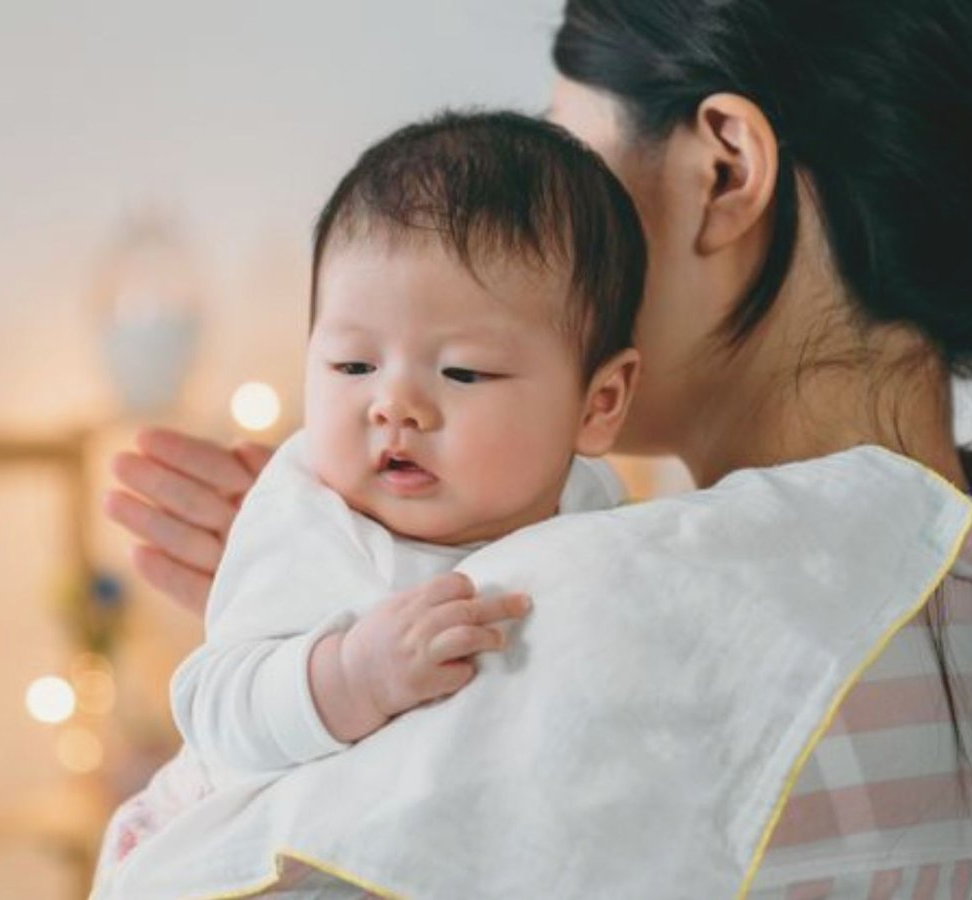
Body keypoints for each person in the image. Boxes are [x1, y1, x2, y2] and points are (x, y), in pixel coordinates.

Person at [107, 1, 972, 894]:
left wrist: (329, 690)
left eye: (568, 165)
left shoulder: (619, 616)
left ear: (724, 170)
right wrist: (348, 597)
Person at [97, 109, 645, 870]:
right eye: (353, 366)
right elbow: (215, 705)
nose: (394, 405)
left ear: (599, 403)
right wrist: (353, 673)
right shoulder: (307, 513)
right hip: (226, 842)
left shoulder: (601, 523)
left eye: (463, 372)